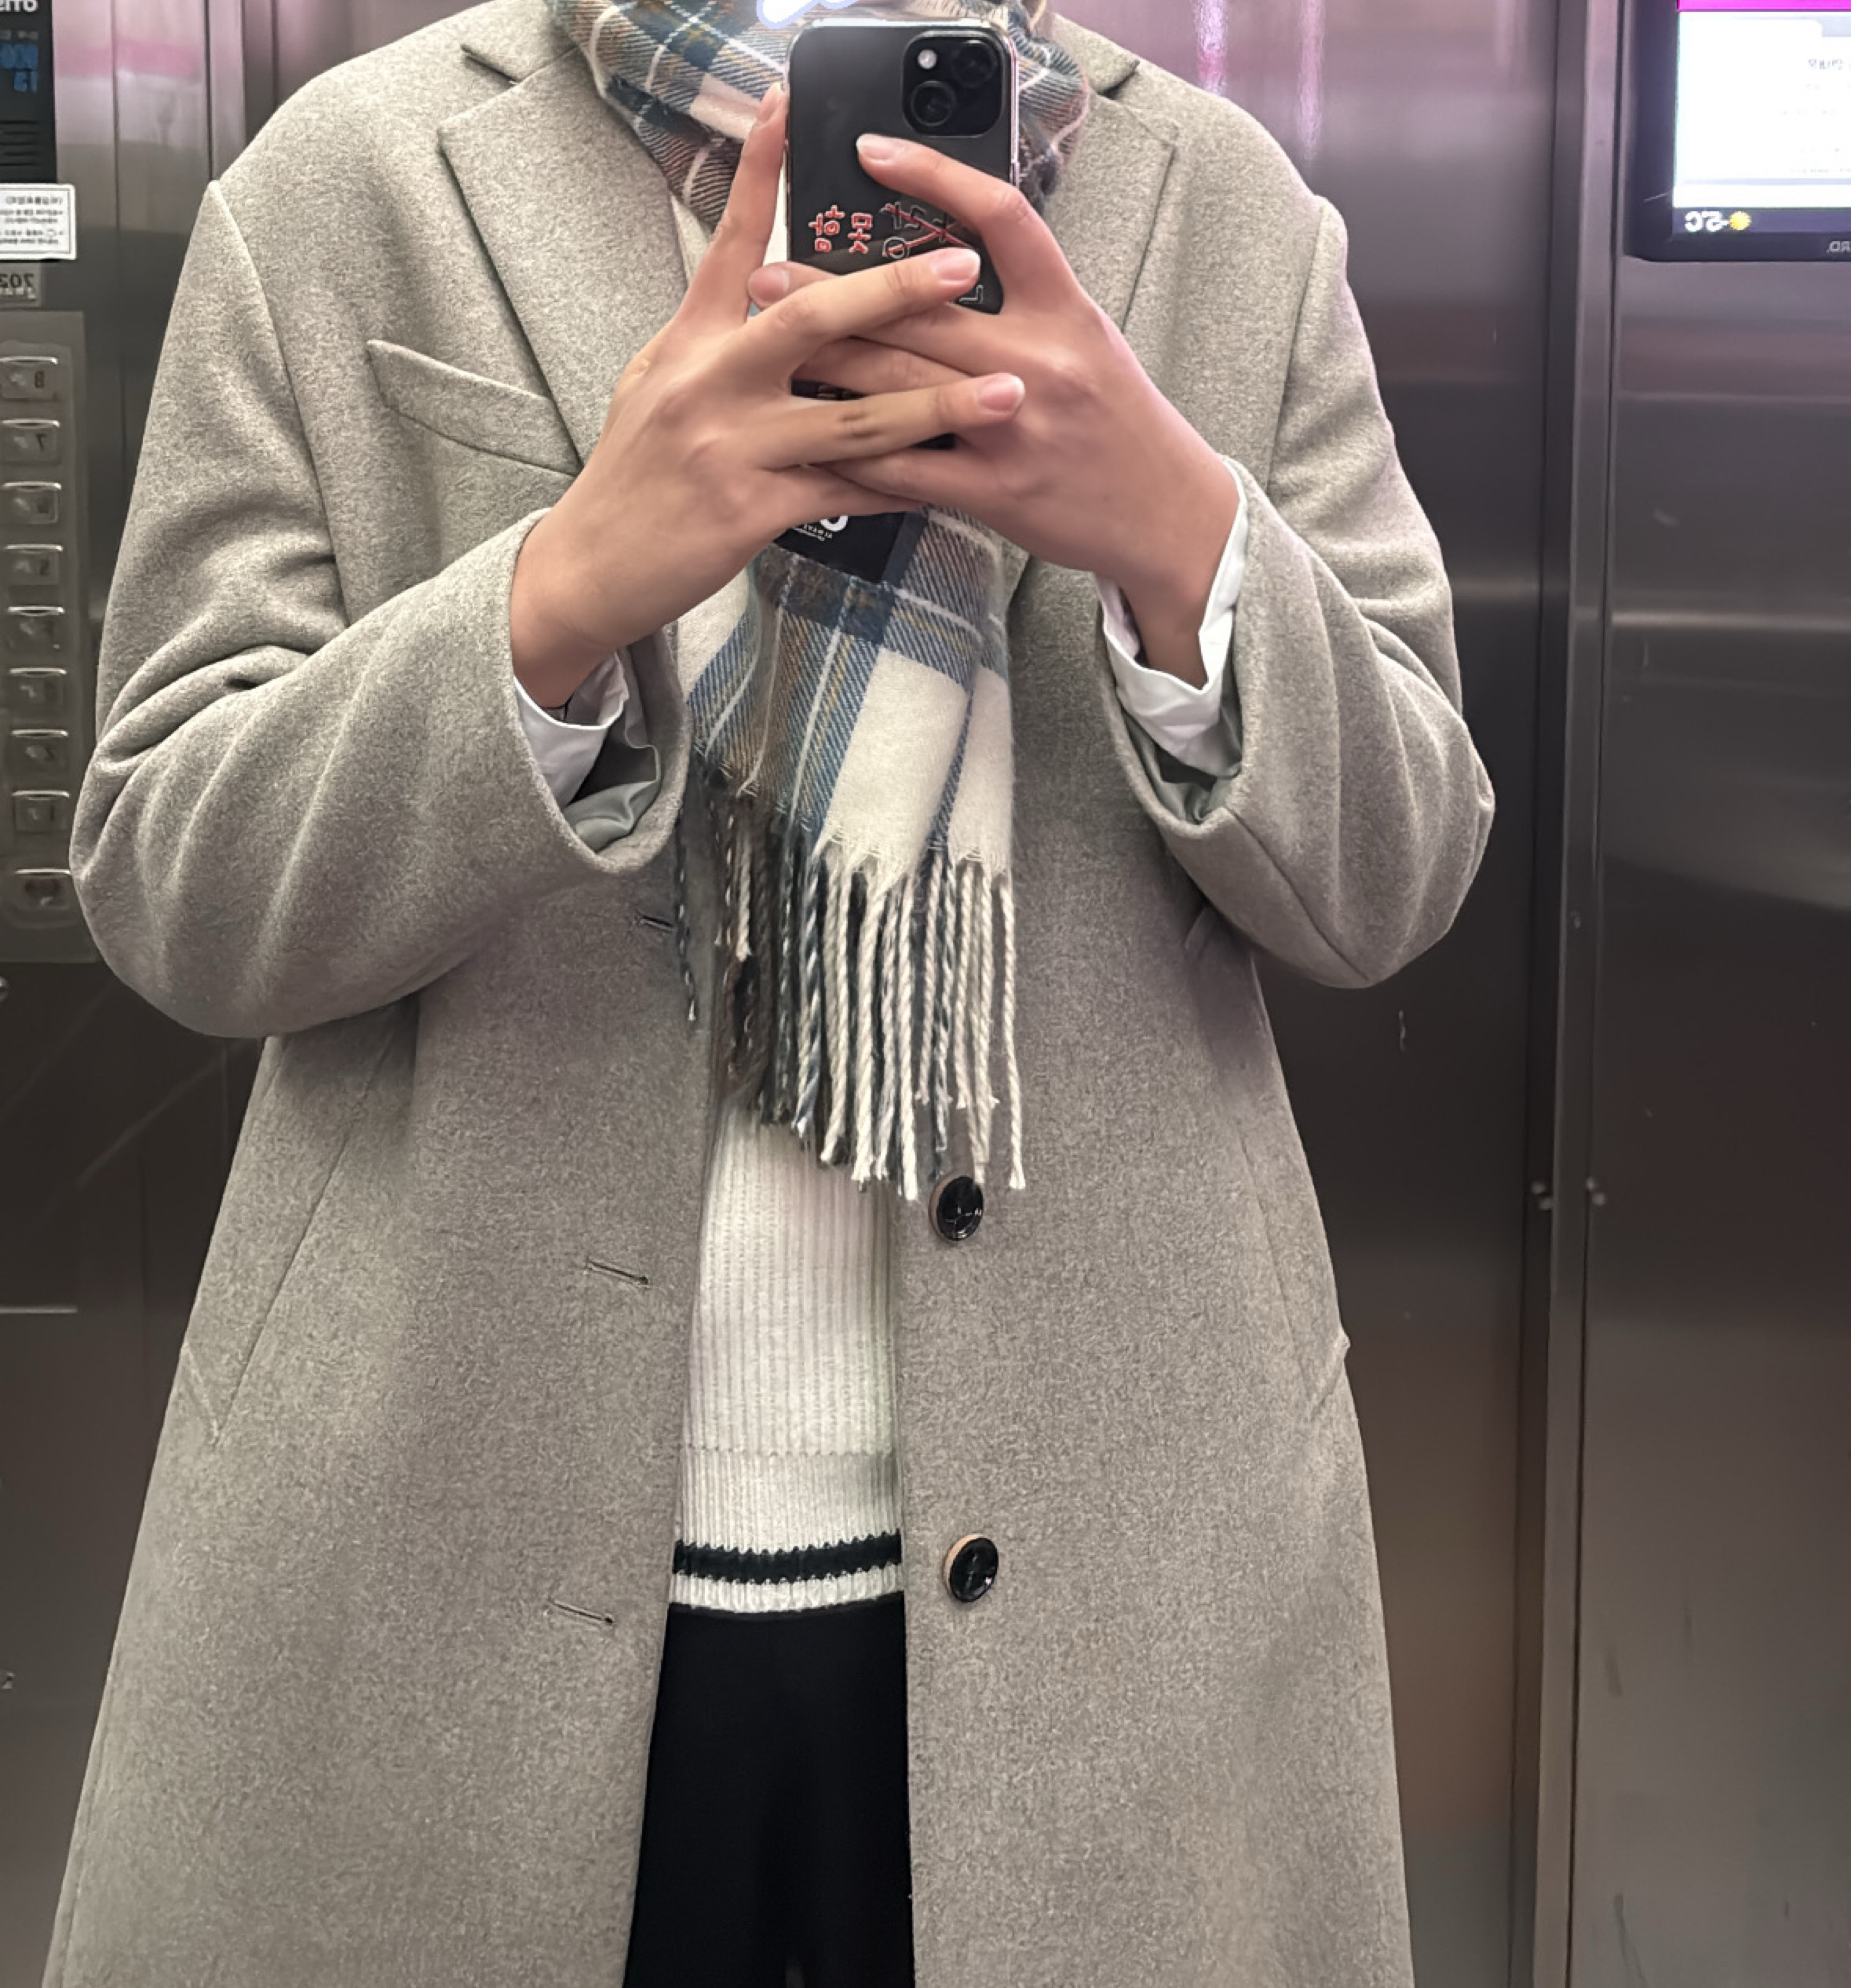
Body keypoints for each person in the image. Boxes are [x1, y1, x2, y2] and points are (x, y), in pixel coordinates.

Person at [42, 0, 1495, 1982]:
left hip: (1116, 1602)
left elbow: (1398, 873)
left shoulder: (1219, 208)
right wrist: (560, 593)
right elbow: (174, 884)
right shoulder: (349, 183)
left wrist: (1179, 531)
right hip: (442, 1579)